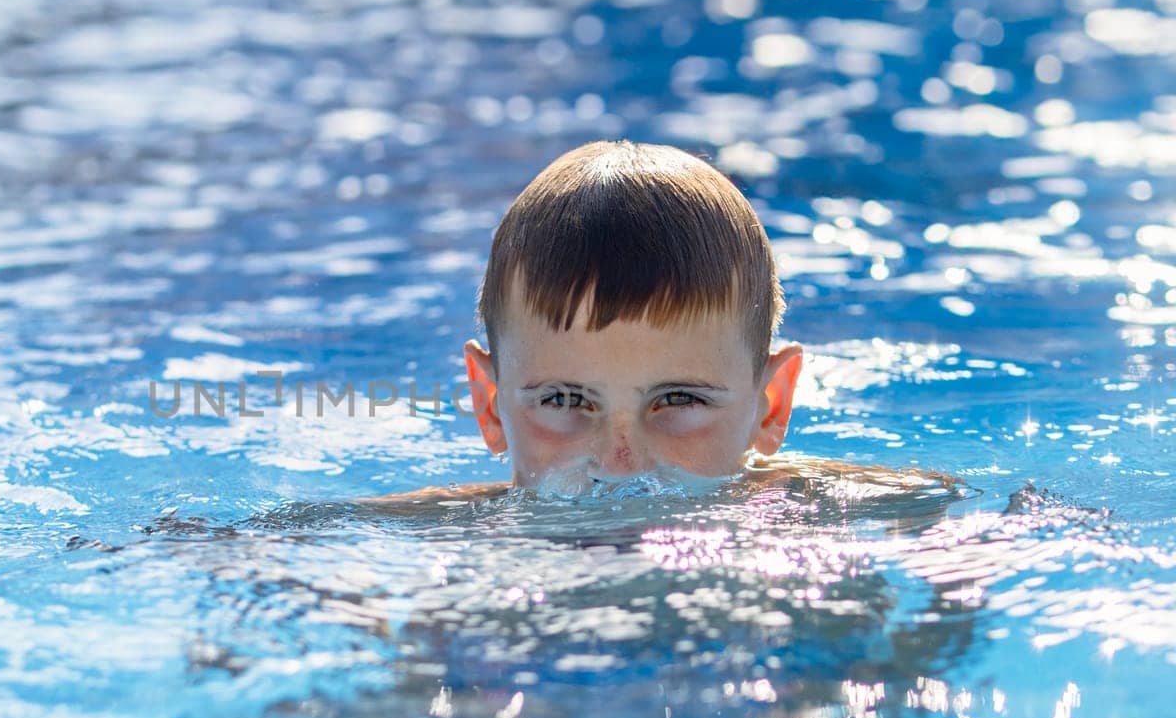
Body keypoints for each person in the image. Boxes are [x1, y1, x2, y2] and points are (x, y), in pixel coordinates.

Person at [363, 139, 953, 508]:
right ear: (490, 406)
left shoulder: (844, 512)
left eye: (677, 399)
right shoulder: (440, 535)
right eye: (566, 399)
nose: (623, 465)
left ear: (770, 406)